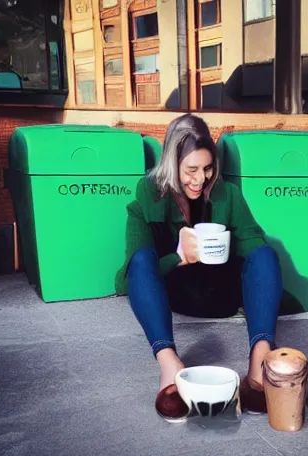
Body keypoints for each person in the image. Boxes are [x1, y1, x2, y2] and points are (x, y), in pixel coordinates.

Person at [115, 113, 283, 422]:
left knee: (265, 254)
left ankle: (259, 365)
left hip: (222, 294)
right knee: (140, 260)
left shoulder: (227, 193)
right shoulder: (147, 197)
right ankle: (169, 366)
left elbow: (254, 245)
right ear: (171, 164)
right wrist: (177, 255)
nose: (200, 179)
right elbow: (128, 280)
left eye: (208, 168)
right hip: (175, 295)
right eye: (190, 169)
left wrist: (225, 243)